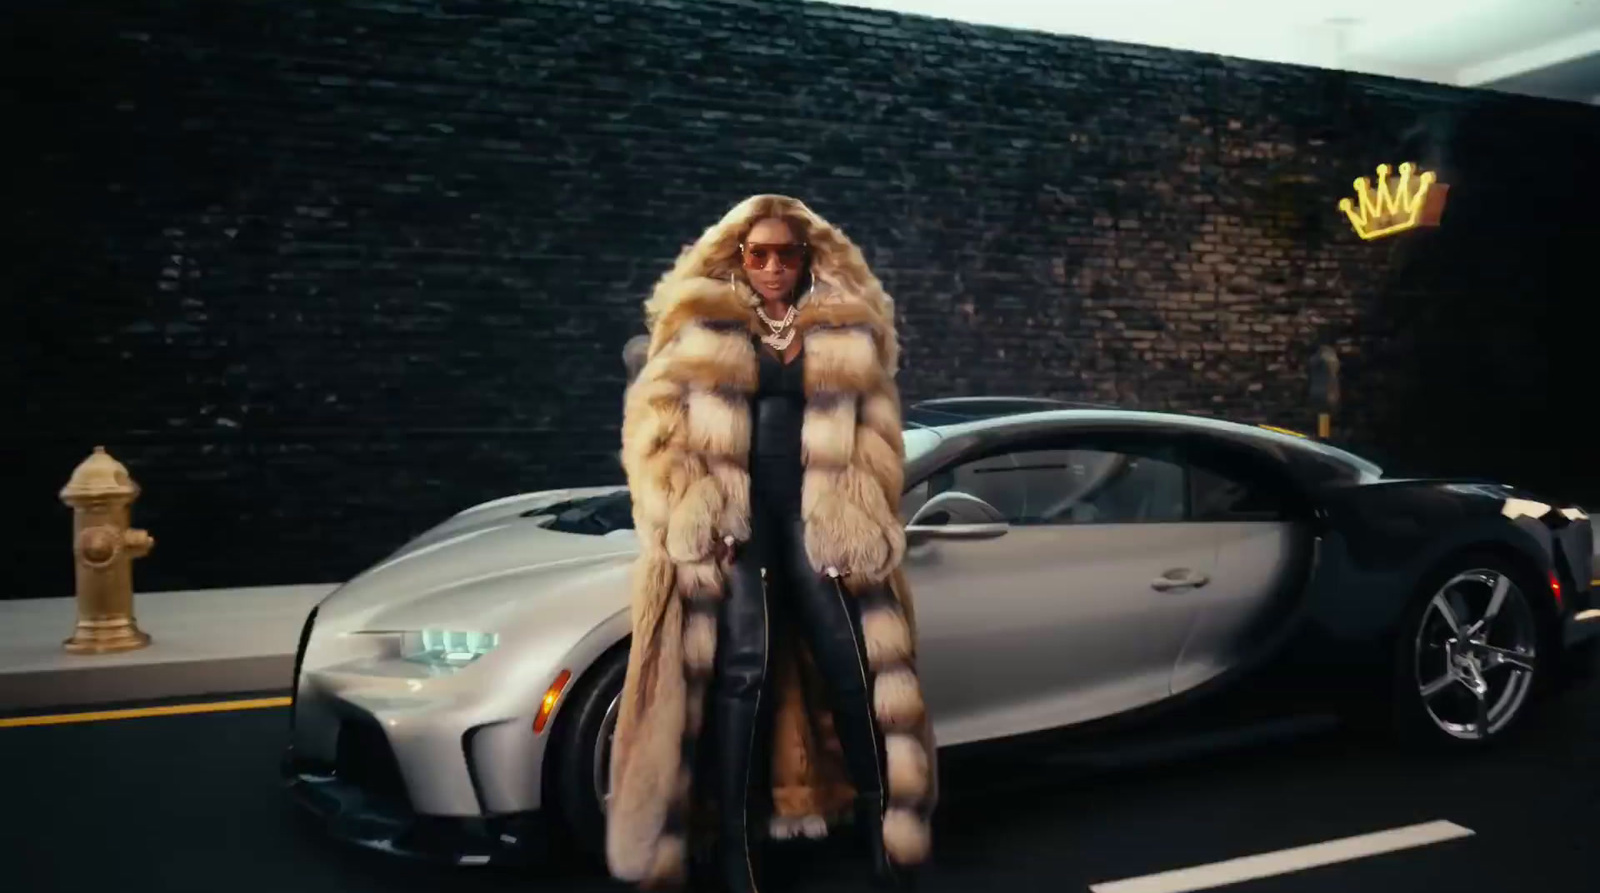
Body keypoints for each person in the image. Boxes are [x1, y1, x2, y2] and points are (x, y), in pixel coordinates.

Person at [606, 195, 936, 893]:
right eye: (759, 254)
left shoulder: (847, 332)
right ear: (738, 256)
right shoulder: (698, 330)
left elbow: (878, 445)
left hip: (818, 527)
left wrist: (861, 517)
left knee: (854, 666)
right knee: (744, 673)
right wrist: (694, 512)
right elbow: (656, 439)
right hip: (741, 530)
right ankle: (734, 845)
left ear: (807, 257)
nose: (774, 266)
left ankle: (884, 826)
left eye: (787, 253)